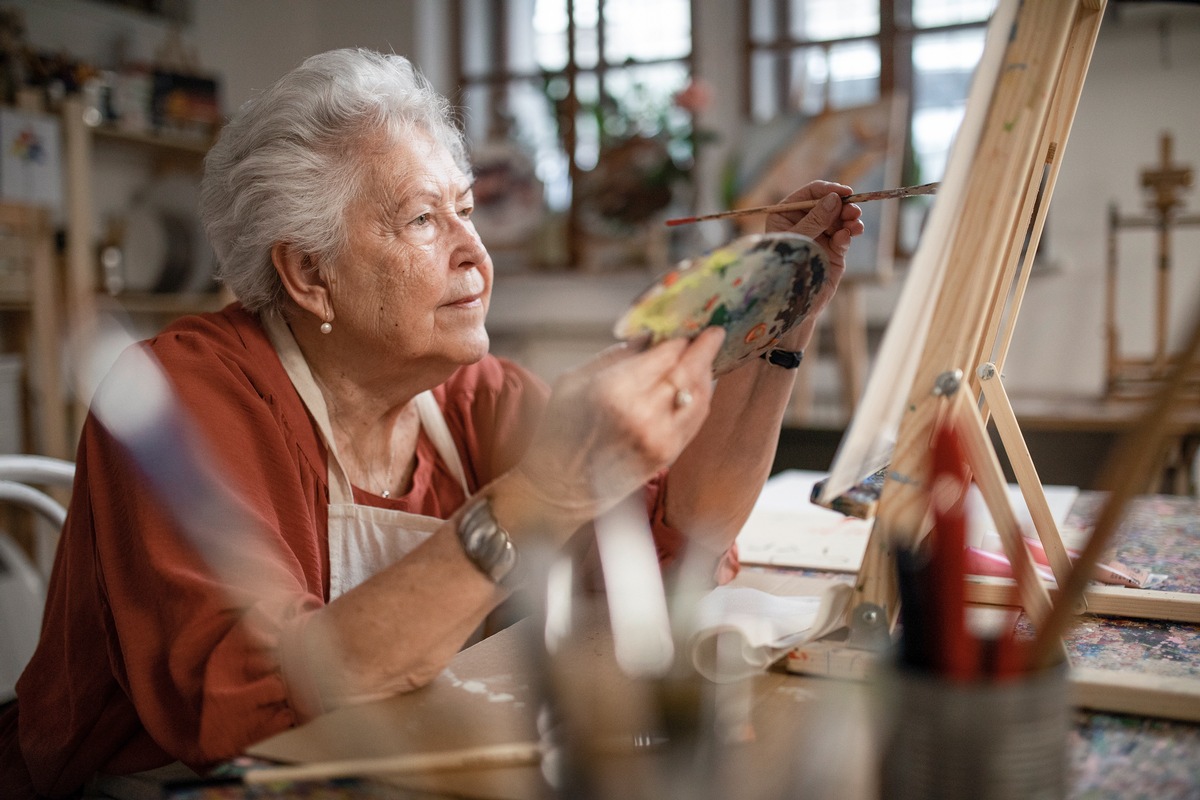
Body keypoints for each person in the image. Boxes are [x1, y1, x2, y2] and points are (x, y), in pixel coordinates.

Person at [0, 48, 863, 797]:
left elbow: (686, 537)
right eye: (422, 220)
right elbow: (240, 699)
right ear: (308, 275)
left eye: (467, 211)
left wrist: (779, 319)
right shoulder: (185, 397)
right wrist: (543, 491)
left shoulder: (473, 395)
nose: (474, 254)